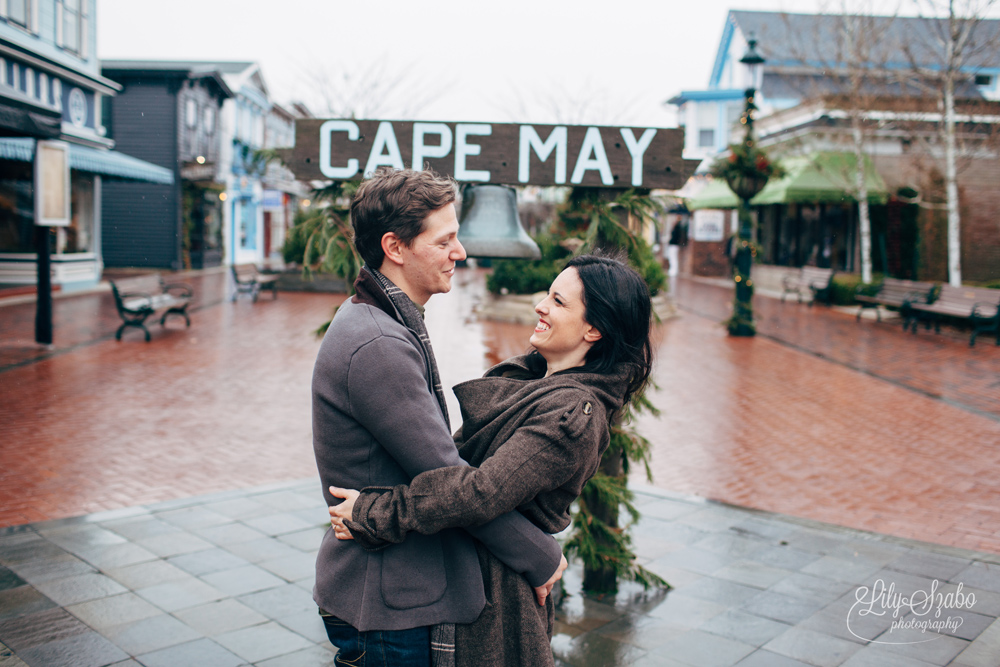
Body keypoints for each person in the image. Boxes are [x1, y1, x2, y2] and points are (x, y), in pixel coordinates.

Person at [329, 253, 654, 667]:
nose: (541, 305)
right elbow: (453, 464)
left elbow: (479, 491)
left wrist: (375, 511)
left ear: (594, 329)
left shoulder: (572, 414)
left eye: (558, 301)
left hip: (494, 594)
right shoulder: (534, 381)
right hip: (474, 570)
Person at [312, 167, 566, 667]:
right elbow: (447, 479)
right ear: (396, 247)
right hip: (389, 603)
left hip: (393, 590)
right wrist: (540, 557)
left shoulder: (382, 321)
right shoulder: (379, 344)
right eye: (445, 239)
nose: (461, 252)